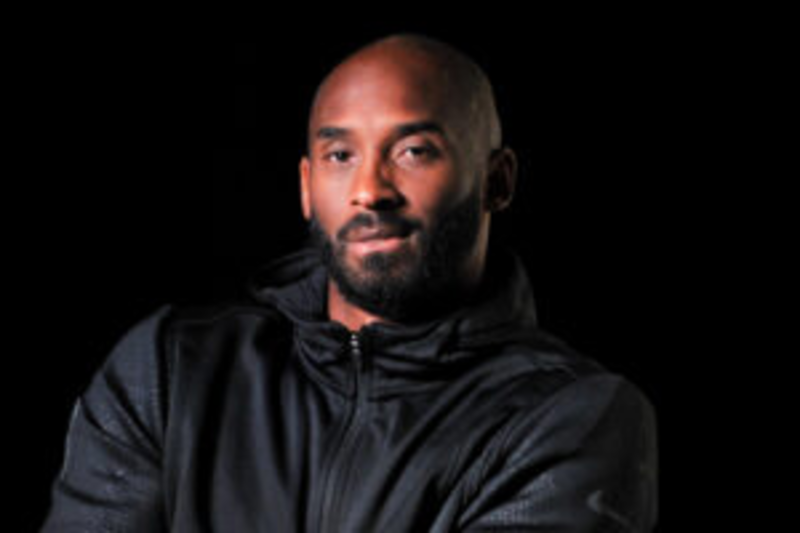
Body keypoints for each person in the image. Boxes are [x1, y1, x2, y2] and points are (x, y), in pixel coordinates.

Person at [42, 34, 658, 532]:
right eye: (340, 156)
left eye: (414, 151)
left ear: (496, 180)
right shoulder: (173, 371)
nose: (369, 190)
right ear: (306, 187)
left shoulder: (570, 416)